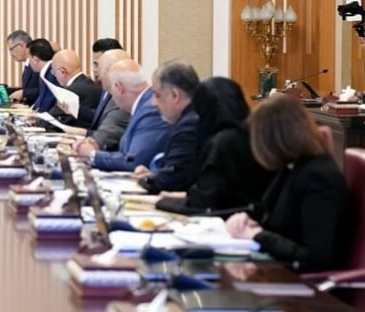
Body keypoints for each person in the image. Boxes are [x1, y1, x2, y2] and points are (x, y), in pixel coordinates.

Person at [226, 96, 354, 272]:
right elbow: (268, 213)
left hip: (305, 282)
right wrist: (248, 220)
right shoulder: (294, 165)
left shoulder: (318, 177)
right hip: (280, 271)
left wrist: (258, 235)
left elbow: (315, 258)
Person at [156, 78, 275, 215]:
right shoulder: (257, 135)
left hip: (228, 220)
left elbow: (205, 202)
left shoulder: (222, 144)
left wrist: (162, 202)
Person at [76, 59, 170, 172]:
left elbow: (134, 161)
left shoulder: (151, 110)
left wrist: (92, 155)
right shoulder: (143, 105)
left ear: (119, 88)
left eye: (111, 92)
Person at [135, 60, 200, 193]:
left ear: (175, 95)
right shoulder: (190, 118)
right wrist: (155, 174)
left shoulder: (189, 126)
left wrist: (146, 180)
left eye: (157, 95)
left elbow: (170, 182)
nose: (153, 103)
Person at [48, 49, 102, 128]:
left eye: (54, 72)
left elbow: (52, 121)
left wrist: (36, 121)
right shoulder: (93, 85)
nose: (55, 76)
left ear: (63, 71)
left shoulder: (70, 91)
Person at [25, 38, 58, 112]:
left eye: (29, 58)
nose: (29, 62)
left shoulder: (51, 75)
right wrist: (30, 109)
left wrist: (32, 113)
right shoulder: (46, 72)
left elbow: (46, 105)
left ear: (35, 60)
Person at [6, 30, 37, 104]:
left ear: (21, 45)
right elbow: (28, 88)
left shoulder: (37, 64)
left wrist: (23, 93)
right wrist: (7, 91)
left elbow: (44, 90)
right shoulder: (27, 65)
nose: (11, 54)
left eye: (11, 49)